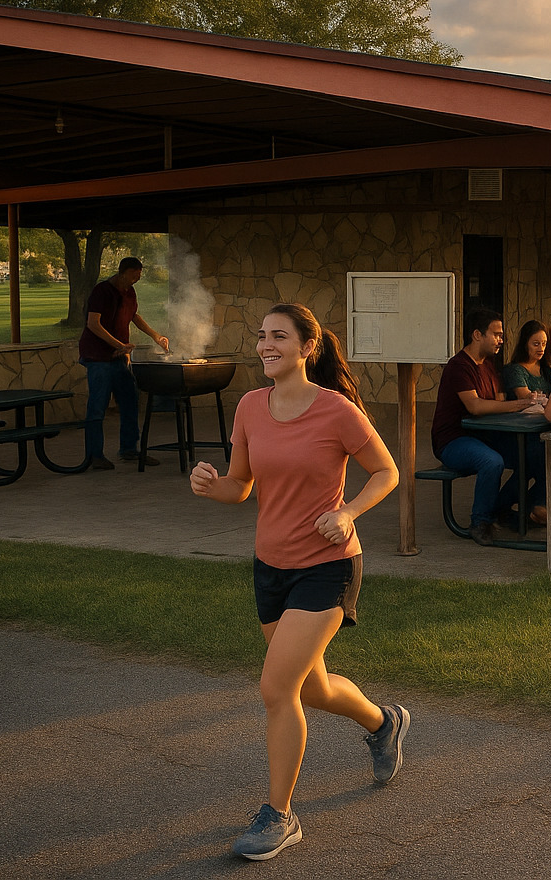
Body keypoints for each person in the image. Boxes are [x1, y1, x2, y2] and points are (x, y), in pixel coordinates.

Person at [189, 302, 406, 862]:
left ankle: (280, 816)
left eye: (279, 337)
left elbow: (387, 471)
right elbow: (241, 485)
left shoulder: (335, 411)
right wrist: (211, 485)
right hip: (271, 567)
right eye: (262, 336)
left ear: (307, 348)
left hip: (328, 566)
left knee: (275, 689)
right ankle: (384, 722)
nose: (266, 345)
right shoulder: (248, 407)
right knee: (310, 688)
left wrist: (350, 511)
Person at [430, 309, 537, 546]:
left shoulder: (488, 365)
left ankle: (498, 507)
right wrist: (518, 404)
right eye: (496, 334)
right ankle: (480, 522)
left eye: (502, 335)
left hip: (485, 435)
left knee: (533, 455)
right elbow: (475, 406)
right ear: (477, 334)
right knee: (492, 461)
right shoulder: (459, 366)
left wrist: (525, 404)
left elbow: (497, 402)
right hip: (453, 440)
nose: (501, 339)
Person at [78, 256, 169, 469]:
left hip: (118, 358)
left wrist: (155, 335)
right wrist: (118, 344)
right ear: (123, 272)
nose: (136, 280)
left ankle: (129, 449)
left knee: (130, 401)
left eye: (139, 276)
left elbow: (133, 315)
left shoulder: (129, 291)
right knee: (98, 406)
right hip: (98, 358)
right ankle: (94, 456)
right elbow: (93, 324)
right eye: (134, 275)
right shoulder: (102, 291)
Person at [503, 319, 551, 398]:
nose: (541, 348)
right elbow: (526, 397)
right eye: (536, 344)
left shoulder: (547, 370)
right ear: (525, 344)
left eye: (544, 344)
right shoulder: (515, 370)